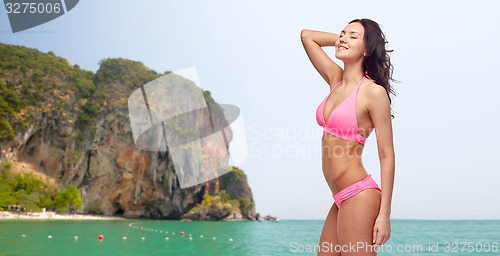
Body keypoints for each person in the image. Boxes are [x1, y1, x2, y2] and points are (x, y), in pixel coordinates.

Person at [301, 18, 396, 256]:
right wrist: (344, 41)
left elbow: (386, 155)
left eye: (353, 36)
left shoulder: (374, 93)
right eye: (342, 33)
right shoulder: (336, 79)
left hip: (359, 193)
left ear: (366, 49)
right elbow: (306, 36)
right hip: (340, 196)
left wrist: (384, 214)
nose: (343, 38)